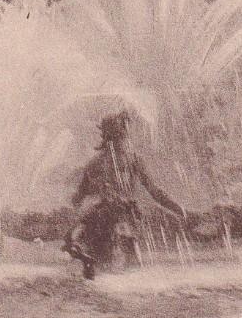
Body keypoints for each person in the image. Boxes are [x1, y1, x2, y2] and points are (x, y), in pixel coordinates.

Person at [63, 111, 186, 279]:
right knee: (126, 271)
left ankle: (84, 256)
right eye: (125, 135)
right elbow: (154, 190)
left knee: (96, 266)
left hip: (99, 218)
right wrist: (175, 207)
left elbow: (78, 197)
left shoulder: (94, 163)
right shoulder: (133, 159)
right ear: (122, 135)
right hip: (125, 218)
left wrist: (76, 213)